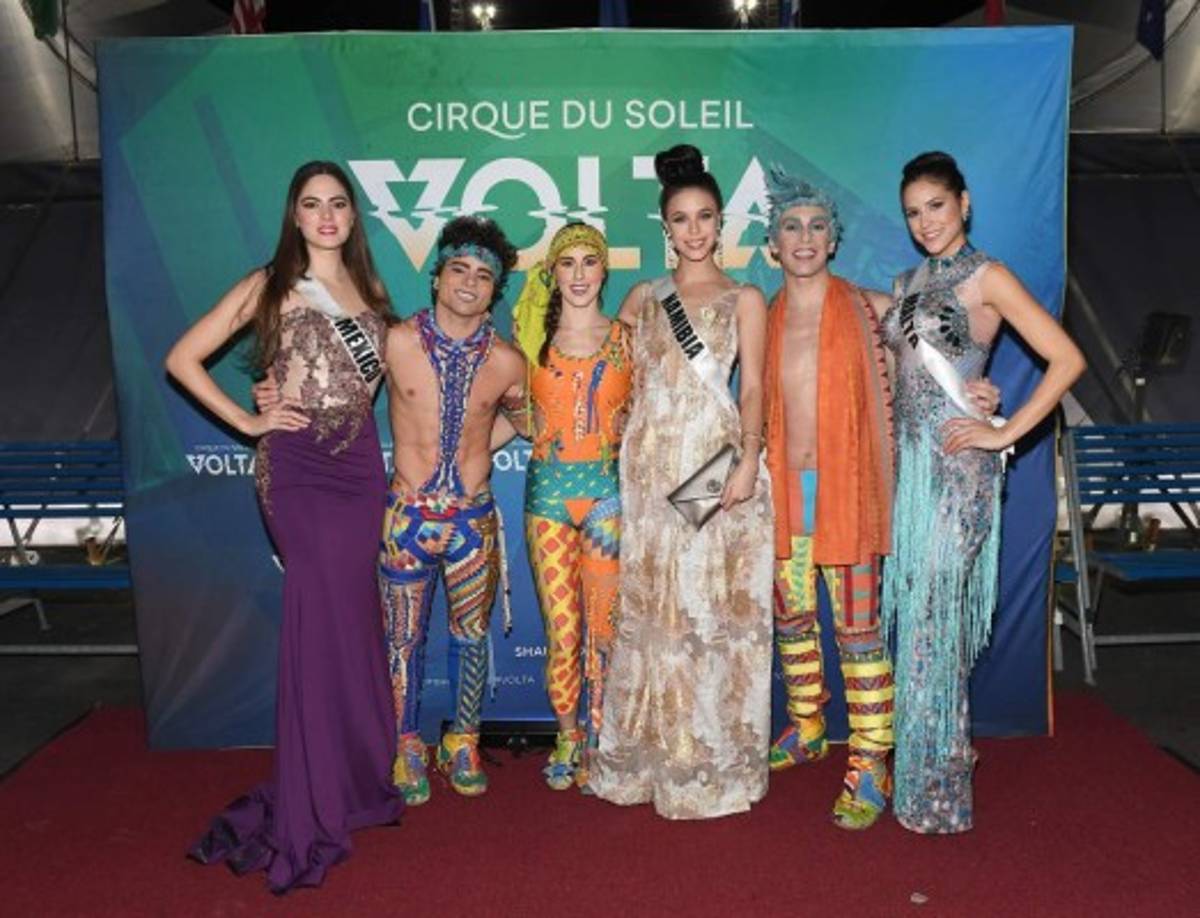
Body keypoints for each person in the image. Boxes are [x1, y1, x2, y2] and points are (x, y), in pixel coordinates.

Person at [168, 161, 401, 893]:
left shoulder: (372, 294)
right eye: (311, 204)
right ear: (294, 215)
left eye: (338, 204)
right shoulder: (270, 283)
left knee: (351, 622)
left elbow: (375, 384)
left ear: (353, 216)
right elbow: (181, 358)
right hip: (297, 470)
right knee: (315, 620)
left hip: (359, 471)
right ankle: (311, 796)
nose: (326, 215)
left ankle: (353, 779)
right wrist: (248, 419)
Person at [881, 151, 1085, 834]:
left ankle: (940, 792)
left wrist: (1004, 432)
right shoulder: (907, 282)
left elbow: (1067, 358)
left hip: (959, 472)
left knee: (935, 624)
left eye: (936, 206)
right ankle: (924, 775)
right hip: (911, 474)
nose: (925, 222)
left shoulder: (988, 276)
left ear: (963, 203)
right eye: (913, 212)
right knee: (918, 625)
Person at [588, 144, 774, 820]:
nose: (693, 230)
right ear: (664, 226)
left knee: (702, 611)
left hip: (713, 464)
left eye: (704, 217)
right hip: (647, 467)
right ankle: (652, 755)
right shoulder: (644, 297)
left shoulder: (744, 297)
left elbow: (752, 388)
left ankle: (705, 762)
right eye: (680, 219)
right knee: (655, 611)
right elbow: (607, 375)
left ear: (720, 222)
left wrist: (748, 459)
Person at [379, 215, 526, 804]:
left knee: (470, 635)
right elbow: (340, 398)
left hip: (471, 518)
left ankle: (462, 740)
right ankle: (405, 742)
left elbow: (525, 423)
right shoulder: (395, 342)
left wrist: (475, 450)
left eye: (483, 275)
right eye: (459, 269)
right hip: (406, 517)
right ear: (437, 277)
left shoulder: (508, 361)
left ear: (495, 290)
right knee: (401, 639)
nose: (469, 282)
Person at [509, 223, 632, 791]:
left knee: (606, 632)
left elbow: (653, 417)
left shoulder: (629, 339)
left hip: (608, 499)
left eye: (589, 261)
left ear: (604, 270)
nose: (579, 274)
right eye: (568, 262)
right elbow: (506, 410)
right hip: (548, 501)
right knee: (563, 632)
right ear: (553, 272)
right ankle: (568, 737)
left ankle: (603, 740)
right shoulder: (530, 336)